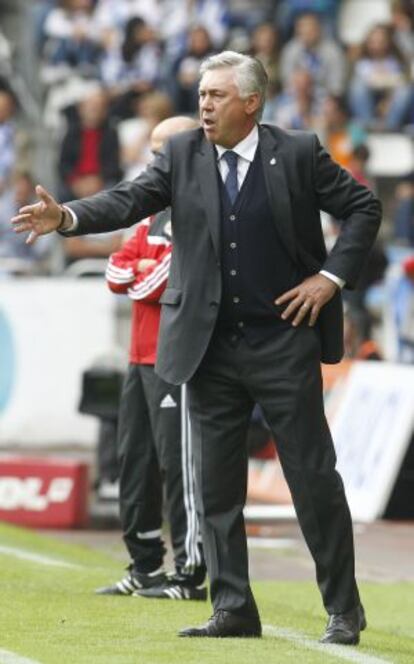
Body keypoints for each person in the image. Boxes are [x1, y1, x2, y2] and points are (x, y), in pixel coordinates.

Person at [12, 51, 382, 645]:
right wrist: (67, 218)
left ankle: (344, 607)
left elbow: (363, 206)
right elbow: (130, 200)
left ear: (251, 102)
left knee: (313, 479)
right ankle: (233, 606)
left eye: (216, 96)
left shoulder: (297, 152)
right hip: (207, 348)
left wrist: (330, 278)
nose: (203, 105)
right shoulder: (182, 154)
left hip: (283, 342)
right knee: (214, 486)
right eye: (202, 95)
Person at [96, 115, 206, 600]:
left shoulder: (196, 208)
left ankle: (189, 572)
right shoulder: (148, 214)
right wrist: (141, 269)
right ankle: (145, 567)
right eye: (153, 148)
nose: (154, 158)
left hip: (176, 357)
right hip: (138, 355)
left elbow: (151, 280)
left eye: (164, 149)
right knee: (134, 461)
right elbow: (116, 275)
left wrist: (141, 269)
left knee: (177, 466)